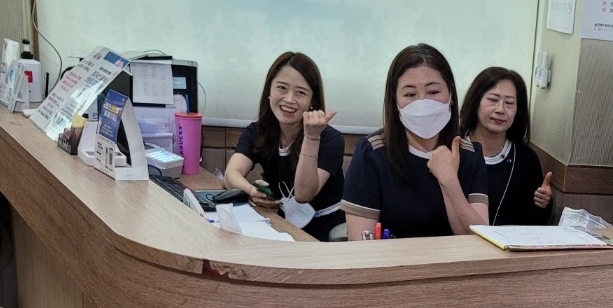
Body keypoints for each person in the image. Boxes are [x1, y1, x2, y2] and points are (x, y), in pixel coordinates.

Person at [341, 44, 489, 240]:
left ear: (451, 95)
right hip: (391, 258)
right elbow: (360, 242)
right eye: (410, 94)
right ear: (395, 102)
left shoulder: (470, 154)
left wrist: (449, 181)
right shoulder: (372, 153)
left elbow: (478, 240)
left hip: (454, 259)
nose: (422, 103)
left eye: (433, 92)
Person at [223, 52, 346, 241]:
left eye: (300, 92)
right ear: (269, 91)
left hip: (326, 230)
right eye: (282, 88)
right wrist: (251, 191)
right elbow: (231, 174)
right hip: (282, 223)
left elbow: (304, 194)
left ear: (312, 101)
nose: (289, 99)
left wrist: (311, 137)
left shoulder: (331, 139)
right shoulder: (258, 131)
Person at [459, 66, 553, 225]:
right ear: (476, 102)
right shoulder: (453, 149)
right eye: (493, 100)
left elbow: (535, 224)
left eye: (509, 103)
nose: (500, 109)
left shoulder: (526, 159)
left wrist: (542, 203)